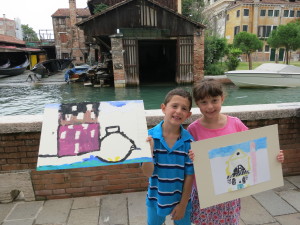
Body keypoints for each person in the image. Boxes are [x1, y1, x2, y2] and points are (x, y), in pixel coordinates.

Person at [187, 78, 285, 225]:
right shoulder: (193, 129)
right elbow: (188, 161)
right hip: (205, 191)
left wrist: (274, 156)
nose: (210, 106)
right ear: (197, 103)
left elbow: (254, 150)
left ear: (222, 99)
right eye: (204, 102)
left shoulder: (235, 123)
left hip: (230, 189)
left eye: (214, 100)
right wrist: (191, 157)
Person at [141, 88, 194, 225]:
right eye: (174, 106)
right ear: (164, 108)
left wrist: (182, 205)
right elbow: (147, 173)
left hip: (181, 199)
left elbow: (189, 176)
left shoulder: (189, 142)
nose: (178, 111)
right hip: (155, 198)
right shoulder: (149, 137)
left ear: (188, 115)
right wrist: (150, 151)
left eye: (184, 108)